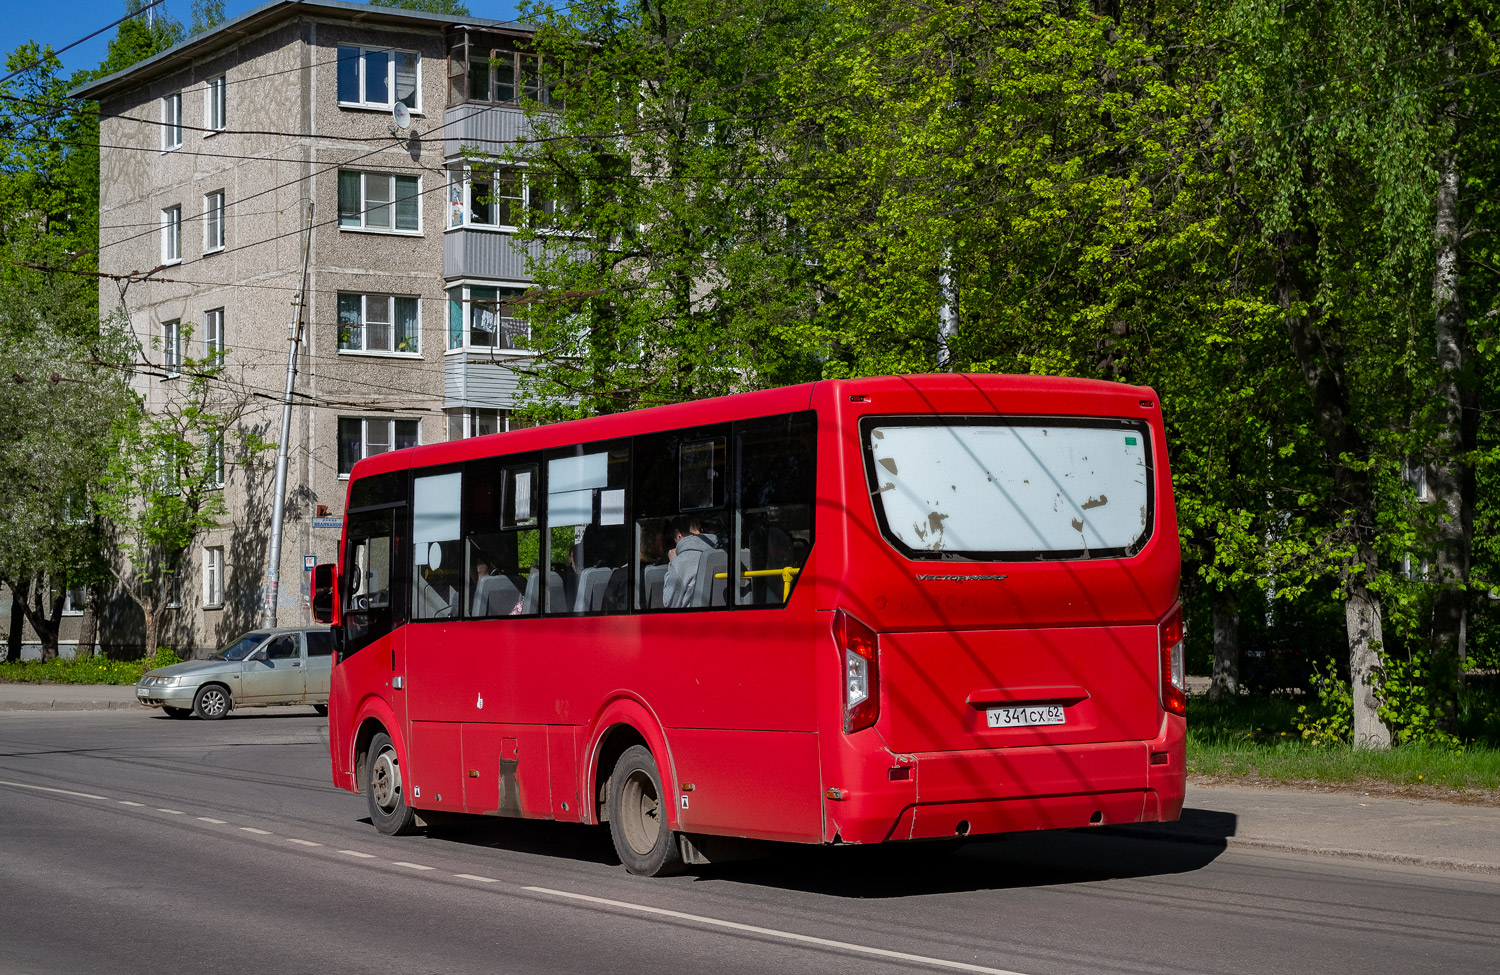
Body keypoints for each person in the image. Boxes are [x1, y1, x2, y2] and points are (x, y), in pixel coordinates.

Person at [662, 516, 718, 608]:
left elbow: (670, 603)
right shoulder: (719, 553)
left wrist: (673, 562)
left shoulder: (680, 562)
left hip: (691, 619)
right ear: (701, 530)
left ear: (678, 534)